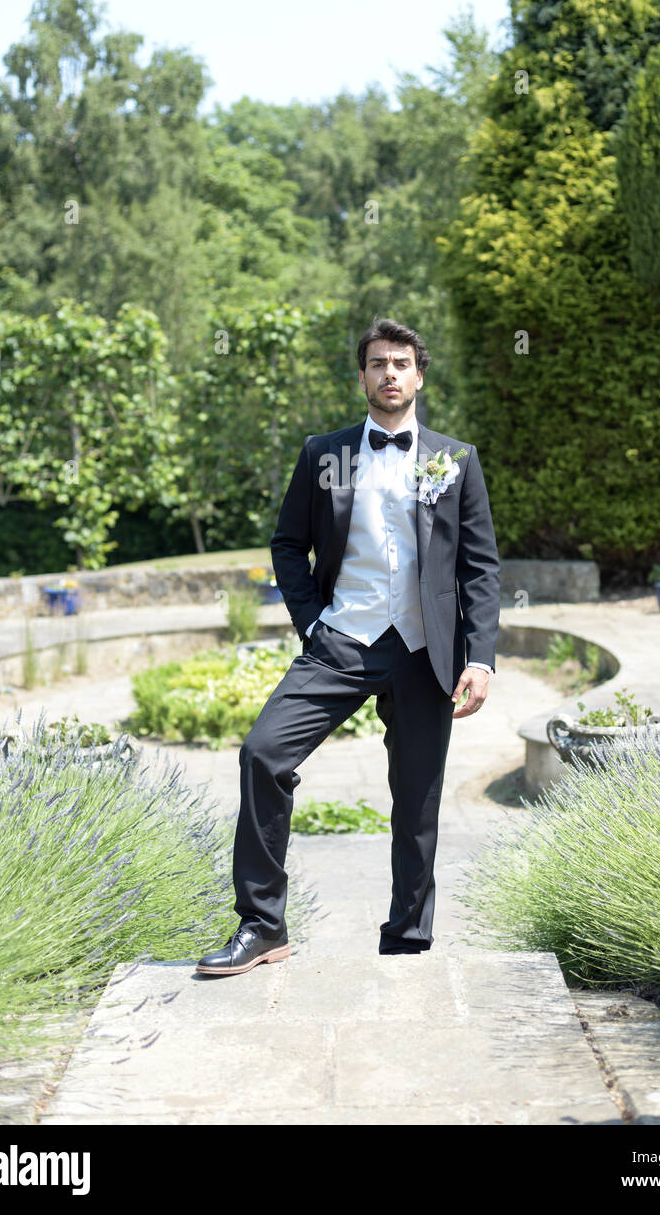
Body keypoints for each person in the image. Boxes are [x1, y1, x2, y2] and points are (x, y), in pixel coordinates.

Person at [196, 316, 500, 975]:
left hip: (425, 653)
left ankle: (407, 941)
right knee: (262, 754)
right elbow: (287, 544)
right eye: (376, 363)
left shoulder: (454, 459)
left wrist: (479, 656)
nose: (388, 374)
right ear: (361, 376)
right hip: (342, 641)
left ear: (418, 376)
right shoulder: (322, 454)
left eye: (400, 363)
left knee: (415, 801)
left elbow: (479, 567)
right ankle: (262, 926)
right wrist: (310, 621)